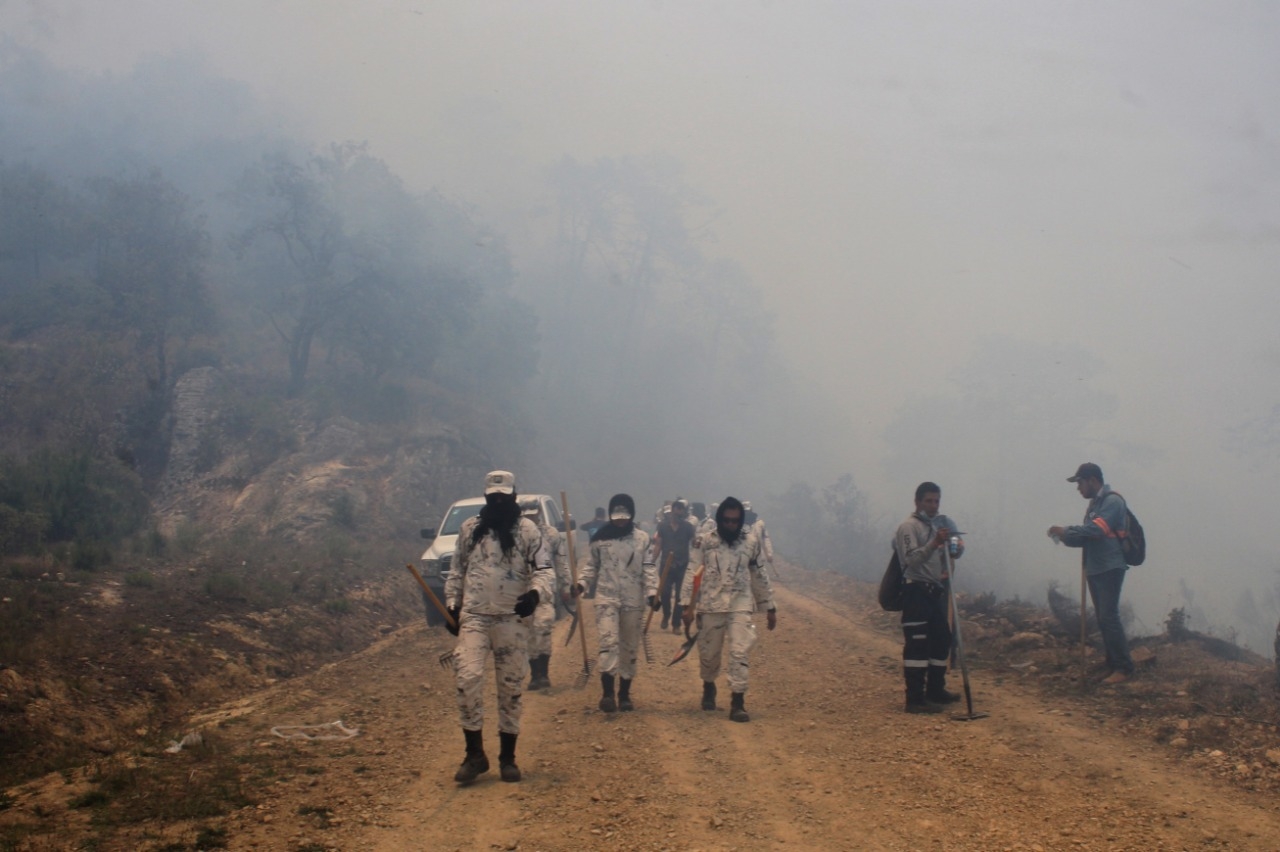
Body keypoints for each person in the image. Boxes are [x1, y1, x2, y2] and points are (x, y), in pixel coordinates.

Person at [444, 470, 554, 784]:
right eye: (494, 496)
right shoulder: (470, 530)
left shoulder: (528, 531)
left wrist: (534, 595)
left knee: (510, 688)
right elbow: (456, 572)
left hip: (511, 619)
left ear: (514, 496)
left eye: (504, 496)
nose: (499, 500)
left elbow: (545, 571)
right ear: (486, 497)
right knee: (467, 677)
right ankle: (475, 755)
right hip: (475, 617)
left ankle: (508, 758)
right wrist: (453, 605)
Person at [680, 497, 777, 723]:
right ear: (719, 520)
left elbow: (759, 575)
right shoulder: (704, 542)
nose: (731, 525)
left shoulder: (751, 543)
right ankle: (709, 686)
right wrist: (687, 605)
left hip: (740, 604)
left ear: (740, 520)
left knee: (739, 651)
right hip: (711, 604)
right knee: (709, 655)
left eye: (735, 521)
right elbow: (692, 572)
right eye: (726, 520)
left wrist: (769, 607)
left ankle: (738, 701)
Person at [1048, 463, 1134, 685]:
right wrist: (1064, 536)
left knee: (1109, 617)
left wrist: (1066, 531)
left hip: (1110, 567)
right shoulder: (1095, 505)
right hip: (1095, 568)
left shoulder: (1113, 501)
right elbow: (1084, 537)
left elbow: (1096, 531)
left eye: (1080, 483)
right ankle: (1111, 664)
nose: (1078, 488)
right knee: (1104, 618)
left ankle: (1123, 667)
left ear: (1093, 481)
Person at [574, 493, 659, 712]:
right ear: (611, 515)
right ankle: (608, 694)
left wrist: (652, 593)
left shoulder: (642, 539)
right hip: (606, 598)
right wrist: (581, 584)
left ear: (631, 515)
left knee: (629, 647)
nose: (620, 520)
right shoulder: (600, 539)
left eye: (624, 516)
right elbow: (591, 566)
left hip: (633, 601)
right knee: (608, 642)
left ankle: (624, 693)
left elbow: (648, 568)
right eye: (617, 516)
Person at [893, 482, 965, 714]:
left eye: (936, 501)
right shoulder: (908, 527)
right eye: (928, 501)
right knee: (917, 644)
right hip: (915, 591)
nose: (933, 506)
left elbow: (943, 557)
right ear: (917, 502)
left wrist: (953, 549)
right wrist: (934, 543)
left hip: (934, 591)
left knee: (942, 638)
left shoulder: (936, 527)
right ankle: (914, 699)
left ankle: (935, 689)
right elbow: (911, 559)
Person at [521, 502, 570, 692]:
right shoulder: (516, 534)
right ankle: (534, 675)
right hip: (523, 591)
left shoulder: (552, 535)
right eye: (528, 515)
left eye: (534, 515)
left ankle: (544, 673)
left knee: (544, 626)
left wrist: (566, 585)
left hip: (546, 589)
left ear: (539, 514)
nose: (531, 518)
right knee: (529, 633)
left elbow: (561, 562)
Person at [653, 498, 697, 633]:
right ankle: (666, 614)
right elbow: (658, 545)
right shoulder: (662, 526)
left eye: (681, 513)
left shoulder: (688, 527)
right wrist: (651, 560)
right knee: (665, 593)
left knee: (680, 596)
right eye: (676, 513)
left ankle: (676, 624)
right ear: (671, 512)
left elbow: (694, 543)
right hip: (666, 564)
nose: (678, 516)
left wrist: (699, 543)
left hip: (682, 565)